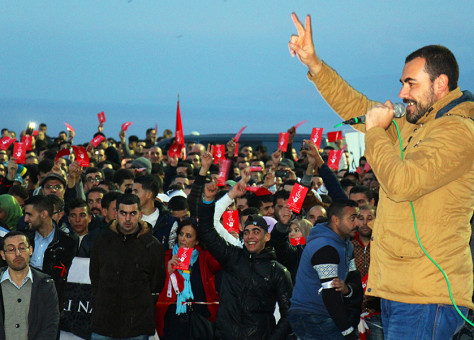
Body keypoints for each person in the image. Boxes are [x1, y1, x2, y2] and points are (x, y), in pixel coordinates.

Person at [289, 13, 473, 338]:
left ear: (440, 83)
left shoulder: (458, 131)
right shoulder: (416, 125)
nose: (402, 92)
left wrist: (374, 132)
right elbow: (358, 106)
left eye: (410, 83)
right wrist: (315, 65)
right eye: (402, 83)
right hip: (399, 289)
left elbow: (401, 183)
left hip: (426, 293)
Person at [197, 178, 293, 340]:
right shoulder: (232, 257)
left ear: (267, 236)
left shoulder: (278, 271)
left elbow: (288, 314)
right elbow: (206, 230)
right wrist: (210, 200)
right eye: (247, 232)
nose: (250, 236)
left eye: (256, 231)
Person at [89, 193, 165, 339]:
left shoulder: (152, 246)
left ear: (140, 214)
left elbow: (156, 285)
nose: (128, 219)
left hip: (136, 325)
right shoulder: (101, 241)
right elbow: (95, 277)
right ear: (116, 214)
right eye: (123, 213)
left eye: (132, 213)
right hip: (104, 322)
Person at [289, 200, 363, 340]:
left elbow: (354, 279)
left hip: (322, 314)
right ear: (336, 220)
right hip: (311, 315)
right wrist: (347, 332)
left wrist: (348, 289)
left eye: (357, 218)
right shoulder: (325, 248)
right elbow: (330, 295)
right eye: (352, 218)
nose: (357, 224)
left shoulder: (346, 245)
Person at [155, 218, 221, 339]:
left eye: (188, 236)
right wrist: (168, 271)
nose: (183, 239)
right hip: (172, 320)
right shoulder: (166, 257)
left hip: (199, 320)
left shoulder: (205, 257)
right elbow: (157, 288)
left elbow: (219, 263)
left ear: (197, 241)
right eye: (181, 234)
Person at [0, 231, 59, 339]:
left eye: (22, 248)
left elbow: (50, 325)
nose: (18, 253)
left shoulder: (46, 284)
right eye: (11, 249)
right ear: (3, 255)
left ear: (31, 250)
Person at [23, 195, 76, 310]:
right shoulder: (22, 239)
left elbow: (60, 276)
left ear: (44, 214)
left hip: (51, 305)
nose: (25, 219)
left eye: (29, 214)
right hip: (23, 303)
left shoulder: (68, 242)